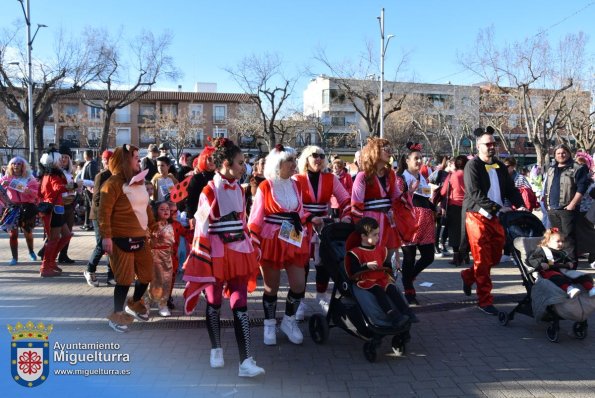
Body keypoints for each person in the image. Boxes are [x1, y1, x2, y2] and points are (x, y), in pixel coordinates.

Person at [183, 138, 264, 377]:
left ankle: (245, 361)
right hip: (216, 254)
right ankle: (216, 347)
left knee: (240, 305)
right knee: (214, 302)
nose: (244, 167)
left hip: (238, 252)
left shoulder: (239, 189)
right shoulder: (208, 190)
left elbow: (243, 220)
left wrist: (251, 244)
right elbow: (202, 227)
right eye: (240, 163)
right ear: (226, 164)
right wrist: (201, 258)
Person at [248, 144, 310, 346]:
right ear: (278, 164)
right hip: (272, 238)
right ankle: (269, 323)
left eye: (294, 160)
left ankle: (289, 321)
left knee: (299, 284)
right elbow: (255, 217)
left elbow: (298, 211)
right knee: (271, 287)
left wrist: (310, 221)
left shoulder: (296, 184)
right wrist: (253, 242)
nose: (294, 164)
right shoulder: (265, 186)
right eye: (289, 161)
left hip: (292, 235)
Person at [461, 126, 525, 315]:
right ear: (478, 146)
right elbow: (474, 194)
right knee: (482, 260)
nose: (491, 147)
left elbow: (511, 189)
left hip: (496, 217)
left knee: (495, 257)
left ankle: (468, 275)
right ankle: (484, 300)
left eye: (493, 144)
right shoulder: (471, 165)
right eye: (487, 144)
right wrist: (497, 208)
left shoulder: (499, 165)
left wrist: (519, 204)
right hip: (477, 216)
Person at [99, 144, 155, 333]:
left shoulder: (139, 183)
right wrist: (106, 237)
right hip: (120, 238)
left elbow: (146, 209)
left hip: (141, 237)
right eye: (135, 157)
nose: (139, 160)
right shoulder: (112, 184)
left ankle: (135, 303)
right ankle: (116, 314)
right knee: (123, 279)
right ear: (124, 160)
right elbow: (103, 213)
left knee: (147, 274)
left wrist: (155, 228)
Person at [294, 145, 351, 318]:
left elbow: (345, 199)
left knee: (324, 263)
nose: (318, 159)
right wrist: (309, 217)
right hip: (301, 225)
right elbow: (292, 204)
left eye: (321, 156)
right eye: (314, 155)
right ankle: (299, 302)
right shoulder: (296, 179)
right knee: (300, 265)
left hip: (323, 226)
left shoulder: (331, 178)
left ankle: (321, 297)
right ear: (306, 158)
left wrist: (347, 215)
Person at [345, 217, 416, 326]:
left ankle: (406, 311)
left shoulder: (380, 249)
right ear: (363, 236)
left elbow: (384, 265)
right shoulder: (356, 252)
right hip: (366, 280)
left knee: (392, 288)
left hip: (381, 278)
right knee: (379, 291)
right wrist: (366, 266)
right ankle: (393, 315)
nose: (377, 237)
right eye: (374, 235)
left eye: (378, 234)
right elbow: (354, 270)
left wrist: (393, 266)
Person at [351, 138, 403, 280]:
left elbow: (396, 198)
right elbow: (355, 205)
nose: (389, 151)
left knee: (390, 258)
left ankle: (389, 287)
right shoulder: (362, 176)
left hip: (388, 221)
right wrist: (362, 229)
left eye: (389, 148)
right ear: (375, 152)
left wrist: (407, 194)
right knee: (373, 256)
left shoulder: (390, 174)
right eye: (385, 148)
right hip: (371, 221)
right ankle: (372, 285)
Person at [396, 142, 436, 305]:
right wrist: (410, 191)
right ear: (407, 160)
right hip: (409, 221)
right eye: (416, 158)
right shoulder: (401, 178)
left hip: (426, 221)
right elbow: (397, 201)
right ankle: (409, 290)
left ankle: (409, 276)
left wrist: (435, 207)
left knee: (428, 256)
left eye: (421, 158)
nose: (419, 161)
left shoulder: (423, 178)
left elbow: (426, 197)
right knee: (409, 257)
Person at [543, 144, 591, 265]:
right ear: (555, 155)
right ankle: (558, 262)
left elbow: (582, 188)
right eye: (558, 153)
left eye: (564, 153)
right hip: (552, 209)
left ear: (569, 153)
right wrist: (547, 205)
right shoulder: (551, 169)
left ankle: (571, 263)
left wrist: (572, 204)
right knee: (555, 237)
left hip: (567, 210)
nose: (561, 155)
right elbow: (547, 187)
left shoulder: (577, 168)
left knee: (568, 237)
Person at [527, 228, 595, 298]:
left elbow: (568, 259)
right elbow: (532, 259)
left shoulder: (562, 252)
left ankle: (591, 289)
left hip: (563, 271)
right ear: (548, 242)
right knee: (557, 277)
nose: (561, 243)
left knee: (582, 276)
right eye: (558, 241)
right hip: (549, 271)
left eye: (562, 241)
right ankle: (569, 289)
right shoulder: (542, 250)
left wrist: (569, 263)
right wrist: (540, 263)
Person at [83, 150, 116, 287]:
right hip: (99, 215)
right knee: (102, 244)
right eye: (105, 160)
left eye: (109, 160)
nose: (107, 162)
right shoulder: (101, 176)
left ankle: (111, 275)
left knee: (111, 245)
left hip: (113, 215)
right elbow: (96, 199)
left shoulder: (118, 176)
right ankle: (89, 270)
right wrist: (102, 214)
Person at [38, 151, 72, 277]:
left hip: (54, 207)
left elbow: (40, 193)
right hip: (54, 209)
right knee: (53, 239)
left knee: (67, 235)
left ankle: (50, 261)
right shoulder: (54, 175)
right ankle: (46, 266)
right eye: (59, 160)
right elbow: (58, 188)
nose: (61, 162)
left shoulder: (46, 175)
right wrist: (72, 186)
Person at [0, 157, 39, 265]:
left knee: (28, 232)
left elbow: (36, 193)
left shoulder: (29, 178)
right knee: (13, 234)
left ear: (23, 166)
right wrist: (2, 187)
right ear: (10, 166)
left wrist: (28, 190)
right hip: (13, 208)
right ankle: (14, 258)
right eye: (14, 163)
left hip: (27, 207)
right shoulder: (6, 178)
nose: (16, 165)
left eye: (19, 163)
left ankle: (31, 251)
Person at [146, 201, 175, 317]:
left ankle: (163, 304)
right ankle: (145, 305)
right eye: (162, 209)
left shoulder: (170, 224)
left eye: (167, 209)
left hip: (167, 257)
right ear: (156, 211)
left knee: (166, 281)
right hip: (153, 256)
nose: (166, 211)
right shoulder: (152, 225)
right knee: (151, 281)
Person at [440, 155, 468, 266]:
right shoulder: (470, 175)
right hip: (468, 206)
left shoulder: (452, 176)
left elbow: (443, 192)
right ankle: (466, 254)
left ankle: (456, 257)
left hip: (454, 206)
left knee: (454, 232)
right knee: (466, 232)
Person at [185, 146, 216, 230]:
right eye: (209, 159)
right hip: (200, 214)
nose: (212, 161)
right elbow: (190, 199)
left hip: (217, 217)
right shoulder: (197, 178)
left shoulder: (220, 177)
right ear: (203, 159)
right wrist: (191, 217)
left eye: (215, 159)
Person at [56, 146, 77, 264]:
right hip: (59, 205)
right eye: (62, 157)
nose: (64, 159)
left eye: (66, 157)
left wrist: (77, 189)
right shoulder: (55, 172)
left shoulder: (70, 173)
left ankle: (63, 255)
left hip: (70, 204)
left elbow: (71, 188)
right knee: (56, 233)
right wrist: (73, 187)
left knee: (68, 232)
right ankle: (47, 253)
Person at [78, 149, 99, 231]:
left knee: (91, 206)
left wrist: (86, 184)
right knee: (87, 206)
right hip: (86, 188)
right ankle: (86, 224)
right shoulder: (87, 164)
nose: (83, 155)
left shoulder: (92, 164)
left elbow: (92, 178)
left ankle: (92, 224)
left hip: (90, 188)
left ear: (87, 155)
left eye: (84, 154)